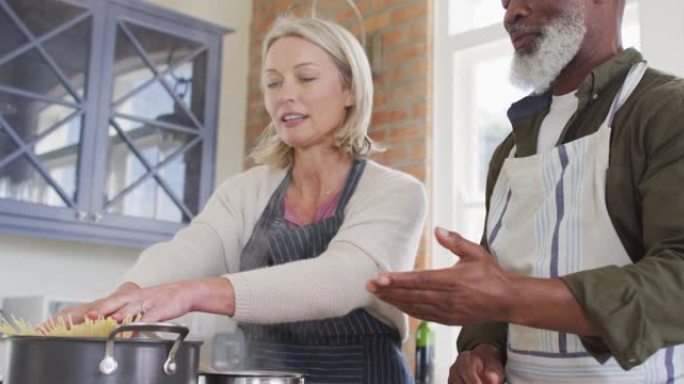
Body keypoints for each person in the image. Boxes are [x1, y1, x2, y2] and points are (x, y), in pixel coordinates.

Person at [60, 16, 426, 383]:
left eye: (306, 78)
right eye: (272, 82)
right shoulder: (244, 192)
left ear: (350, 91)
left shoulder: (395, 192)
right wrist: (123, 300)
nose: (285, 94)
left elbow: (339, 281)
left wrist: (192, 294)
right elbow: (189, 251)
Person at [368, 0, 684, 382]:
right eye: (504, 2)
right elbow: (497, 273)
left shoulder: (665, 111)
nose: (511, 13)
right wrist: (480, 349)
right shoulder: (510, 150)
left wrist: (513, 297)